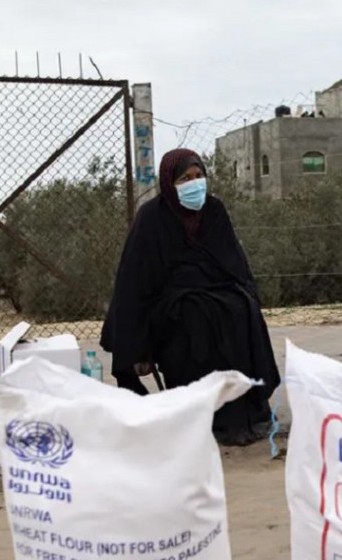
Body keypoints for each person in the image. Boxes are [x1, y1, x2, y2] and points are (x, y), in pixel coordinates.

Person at [100, 148, 281, 446]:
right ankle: (199, 410)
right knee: (196, 315)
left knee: (240, 308)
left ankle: (243, 407)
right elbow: (135, 284)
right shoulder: (151, 219)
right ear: (170, 183)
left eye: (199, 176)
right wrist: (136, 349)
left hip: (216, 290)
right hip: (171, 304)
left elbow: (233, 264)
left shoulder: (214, 211)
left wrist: (245, 294)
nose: (194, 184)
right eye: (185, 178)